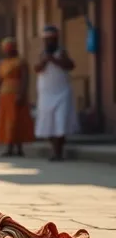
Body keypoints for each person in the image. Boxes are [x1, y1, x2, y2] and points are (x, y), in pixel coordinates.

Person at [34, 26, 78, 161]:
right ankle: (54, 150)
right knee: (48, 124)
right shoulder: (42, 53)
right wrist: (44, 61)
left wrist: (54, 60)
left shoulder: (62, 52)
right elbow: (36, 68)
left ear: (56, 39)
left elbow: (70, 65)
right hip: (46, 94)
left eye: (51, 39)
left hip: (62, 93)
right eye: (46, 40)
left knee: (61, 123)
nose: (49, 42)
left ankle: (58, 152)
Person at [0, 37, 34, 157]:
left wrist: (22, 94)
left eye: (10, 48)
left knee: (17, 121)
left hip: (16, 95)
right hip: (4, 96)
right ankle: (9, 148)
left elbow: (25, 79)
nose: (8, 51)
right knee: (6, 122)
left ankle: (19, 148)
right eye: (6, 49)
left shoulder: (21, 62)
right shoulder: (1, 64)